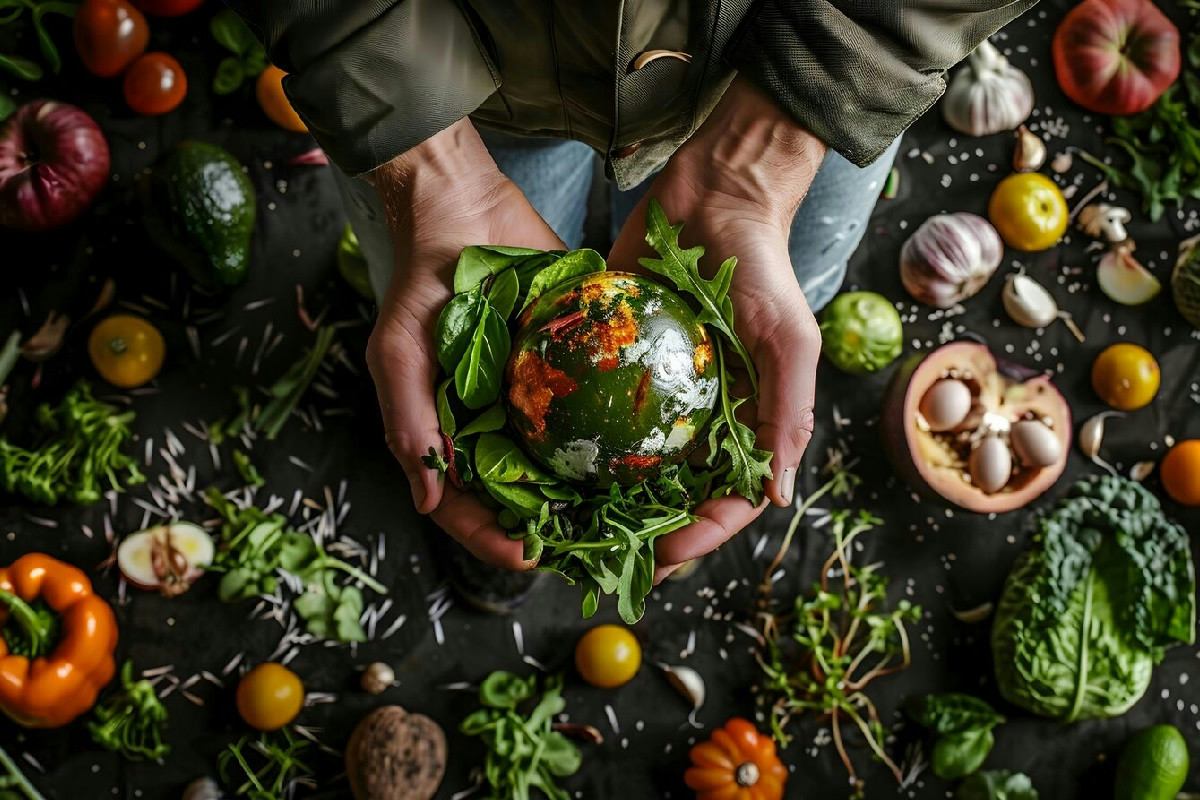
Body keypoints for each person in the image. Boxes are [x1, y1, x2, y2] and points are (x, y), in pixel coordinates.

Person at [231, 0, 1038, 583]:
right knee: (449, 328)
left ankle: (659, 492)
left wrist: (784, 131)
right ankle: (534, 517)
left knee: (785, 295)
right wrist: (422, 159)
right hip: (459, 66)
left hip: (808, 57)